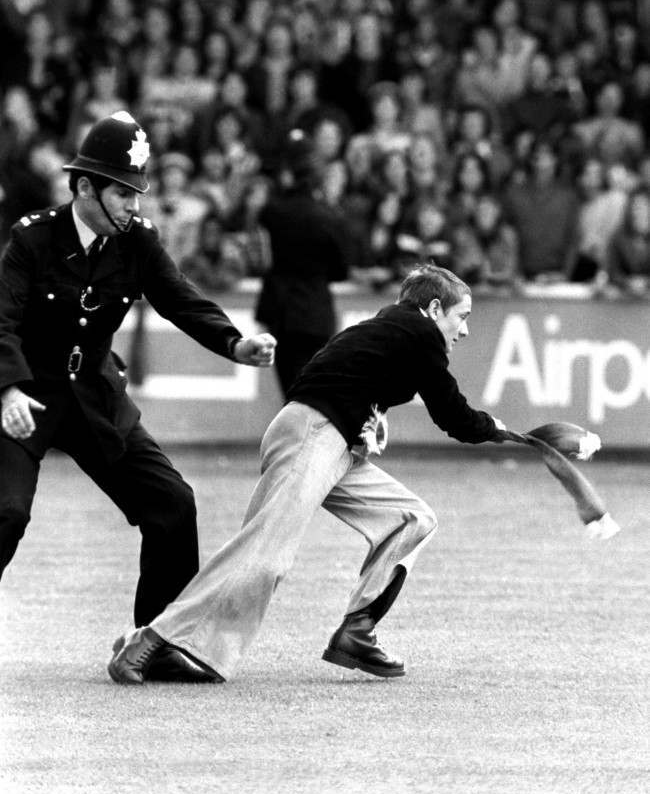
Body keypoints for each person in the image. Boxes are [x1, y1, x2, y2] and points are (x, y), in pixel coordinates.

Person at [108, 263, 506, 686]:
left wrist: (368, 417)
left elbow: (336, 377)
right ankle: (150, 639)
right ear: (433, 307)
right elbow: (452, 415)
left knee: (412, 518)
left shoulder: (388, 327)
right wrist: (497, 429)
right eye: (461, 317)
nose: (463, 331)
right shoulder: (420, 333)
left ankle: (357, 631)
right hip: (314, 435)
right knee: (265, 554)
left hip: (324, 438)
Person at [0, 110, 275, 680]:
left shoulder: (137, 241)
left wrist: (234, 343)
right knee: (5, 513)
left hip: (95, 396)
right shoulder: (31, 239)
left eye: (137, 193)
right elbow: (0, 322)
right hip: (25, 398)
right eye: (123, 194)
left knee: (172, 504)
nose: (135, 206)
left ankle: (158, 642)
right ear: (84, 188)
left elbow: (178, 296)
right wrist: (7, 391)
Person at [255, 129, 351, 396]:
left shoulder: (272, 212)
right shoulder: (330, 217)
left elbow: (262, 259)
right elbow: (342, 270)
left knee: (292, 392)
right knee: (314, 392)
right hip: (315, 311)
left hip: (281, 311)